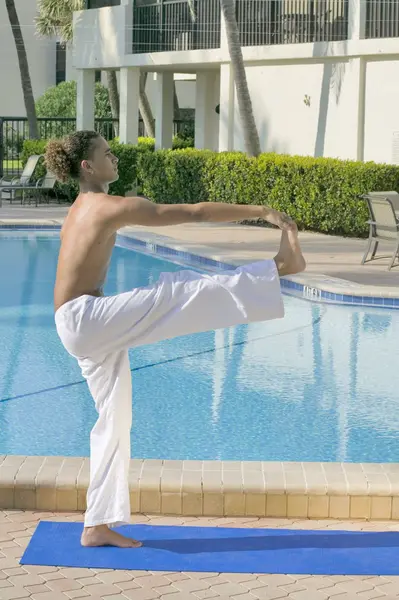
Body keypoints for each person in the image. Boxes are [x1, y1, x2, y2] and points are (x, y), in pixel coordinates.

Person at [45, 130, 305, 549]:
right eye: (106, 153)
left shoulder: (80, 208)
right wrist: (262, 210)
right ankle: (279, 266)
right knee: (178, 293)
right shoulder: (108, 207)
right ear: (87, 167)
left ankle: (97, 524)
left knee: (115, 421)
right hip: (87, 320)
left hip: (77, 323)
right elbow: (195, 212)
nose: (114, 157)